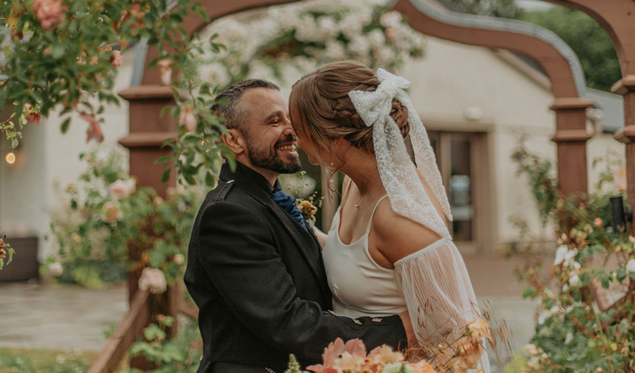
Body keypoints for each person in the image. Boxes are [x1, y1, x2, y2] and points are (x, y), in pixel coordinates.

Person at [184, 79, 407, 373]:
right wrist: (396, 331)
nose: (292, 130)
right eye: (274, 121)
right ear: (233, 140)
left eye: (289, 118)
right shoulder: (228, 214)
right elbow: (288, 321)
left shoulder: (268, 200)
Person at [288, 61, 491, 372]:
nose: (295, 140)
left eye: (300, 131)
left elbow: (454, 336)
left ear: (335, 140)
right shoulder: (353, 186)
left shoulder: (399, 217)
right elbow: (365, 267)